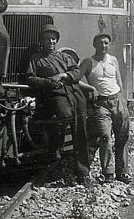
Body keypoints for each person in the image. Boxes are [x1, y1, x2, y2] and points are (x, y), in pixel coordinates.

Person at [26, 24, 90, 184]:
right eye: (47, 39)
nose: (51, 42)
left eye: (53, 39)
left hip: (75, 93)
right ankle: (56, 152)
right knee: (65, 115)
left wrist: (63, 75)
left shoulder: (64, 57)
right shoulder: (35, 59)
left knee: (81, 128)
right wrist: (49, 82)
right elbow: (30, 79)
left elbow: (76, 71)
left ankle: (83, 171)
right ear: (42, 41)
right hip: (56, 95)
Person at [75, 32, 132, 184]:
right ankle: (108, 172)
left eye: (106, 43)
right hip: (101, 104)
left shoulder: (113, 60)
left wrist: (123, 100)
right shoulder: (88, 62)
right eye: (100, 43)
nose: (103, 46)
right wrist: (90, 88)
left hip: (117, 100)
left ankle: (123, 171)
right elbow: (76, 80)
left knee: (122, 137)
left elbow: (119, 81)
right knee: (105, 137)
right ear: (94, 45)